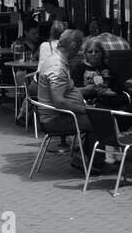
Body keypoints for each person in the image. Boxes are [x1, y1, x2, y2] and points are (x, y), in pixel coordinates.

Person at [35, 31, 95, 171]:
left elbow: (63, 92)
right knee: (100, 120)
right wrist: (84, 109)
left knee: (98, 114)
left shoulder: (58, 59)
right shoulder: (57, 66)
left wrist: (84, 91)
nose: (80, 51)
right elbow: (59, 102)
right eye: (80, 47)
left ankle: (85, 157)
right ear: (73, 46)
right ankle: (93, 163)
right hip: (55, 120)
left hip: (59, 116)